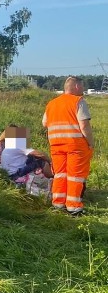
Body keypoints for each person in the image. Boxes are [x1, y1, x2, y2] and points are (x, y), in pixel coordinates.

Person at [42, 76, 95, 216]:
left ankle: (58, 204)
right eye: (82, 86)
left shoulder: (51, 104)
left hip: (56, 145)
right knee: (75, 176)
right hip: (75, 145)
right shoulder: (78, 101)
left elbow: (44, 123)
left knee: (60, 174)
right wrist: (90, 143)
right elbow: (84, 125)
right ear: (77, 86)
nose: (83, 89)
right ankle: (74, 207)